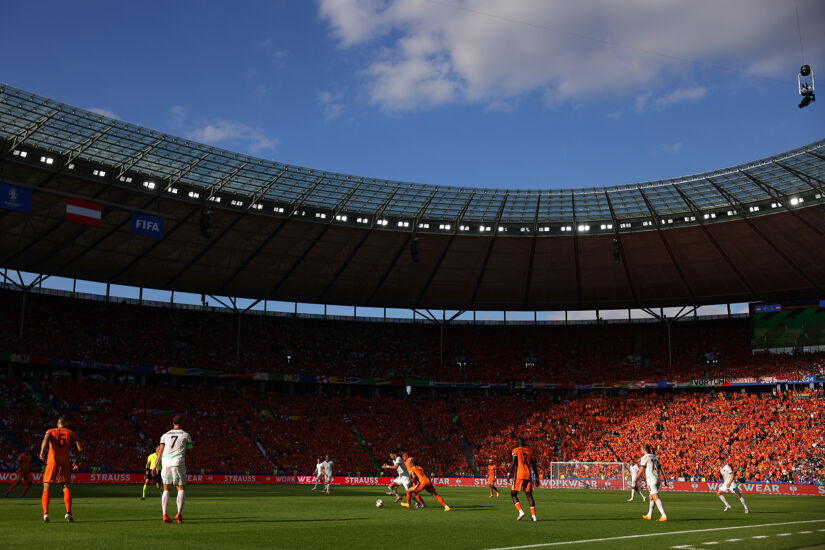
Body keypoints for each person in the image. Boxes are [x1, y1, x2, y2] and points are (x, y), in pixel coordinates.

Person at [39, 415, 82, 523]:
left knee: (47, 487)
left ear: (58, 423)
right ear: (66, 423)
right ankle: (68, 513)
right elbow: (80, 449)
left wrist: (42, 452)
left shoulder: (50, 431)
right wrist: (77, 460)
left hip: (52, 461)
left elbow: (45, 439)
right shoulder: (71, 433)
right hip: (65, 462)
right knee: (66, 487)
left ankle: (46, 514)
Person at [153, 415, 194, 524]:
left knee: (166, 489)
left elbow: (160, 451)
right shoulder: (186, 435)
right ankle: (179, 514)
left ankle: (164, 514)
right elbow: (190, 452)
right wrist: (192, 462)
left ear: (173, 423)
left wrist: (156, 465)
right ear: (182, 423)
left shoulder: (165, 435)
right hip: (178, 462)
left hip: (166, 463)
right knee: (181, 488)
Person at [634, 444, 667, 522]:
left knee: (655, 496)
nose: (640, 450)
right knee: (651, 497)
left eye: (641, 449)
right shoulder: (654, 457)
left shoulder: (645, 457)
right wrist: (665, 479)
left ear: (644, 449)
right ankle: (649, 514)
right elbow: (661, 467)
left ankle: (663, 515)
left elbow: (641, 469)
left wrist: (636, 478)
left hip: (651, 479)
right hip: (657, 478)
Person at [508, 438, 537, 521]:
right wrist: (537, 477)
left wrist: (508, 473)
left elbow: (513, 463)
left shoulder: (516, 450)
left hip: (520, 474)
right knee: (529, 495)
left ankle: (521, 512)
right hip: (528, 474)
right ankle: (534, 516)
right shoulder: (529, 451)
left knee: (513, 494)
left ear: (518, 443)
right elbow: (534, 465)